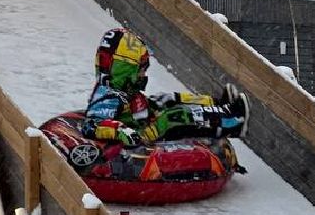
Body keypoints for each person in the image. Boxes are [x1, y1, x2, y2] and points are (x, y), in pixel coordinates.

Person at [81, 28, 249, 147]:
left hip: (143, 119)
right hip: (143, 134)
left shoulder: (121, 89)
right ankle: (232, 122)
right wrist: (121, 131)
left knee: (165, 99)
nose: (143, 75)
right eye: (140, 70)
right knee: (174, 116)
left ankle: (217, 104)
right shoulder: (108, 94)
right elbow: (92, 125)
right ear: (125, 70)